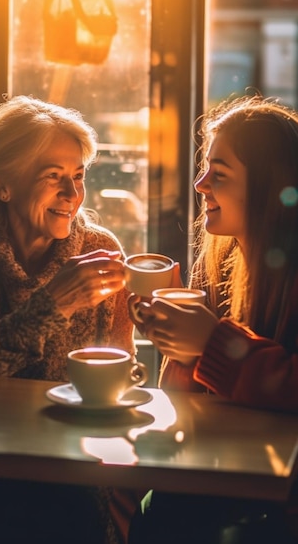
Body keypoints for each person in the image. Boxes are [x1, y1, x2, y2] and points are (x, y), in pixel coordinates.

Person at [0, 94, 135, 544]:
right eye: (54, 178)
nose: (72, 195)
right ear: (3, 186)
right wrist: (54, 305)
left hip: (77, 475)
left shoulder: (100, 251)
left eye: (77, 176)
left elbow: (123, 378)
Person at [127, 94, 298, 543]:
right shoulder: (227, 265)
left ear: (268, 186)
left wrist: (210, 345)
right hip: (220, 475)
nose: (201, 184)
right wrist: (177, 344)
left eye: (218, 174)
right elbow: (201, 408)